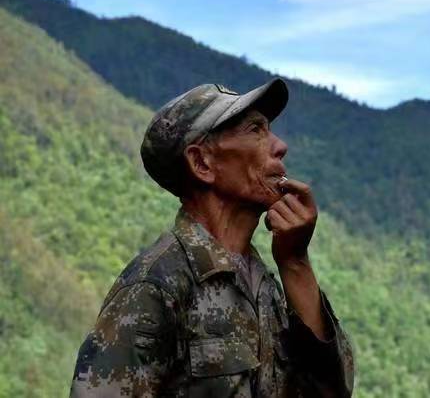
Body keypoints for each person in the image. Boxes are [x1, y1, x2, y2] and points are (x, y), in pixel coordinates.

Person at [70, 78, 355, 397]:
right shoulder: (155, 287)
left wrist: (295, 262)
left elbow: (331, 392)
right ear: (202, 163)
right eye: (256, 130)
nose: (280, 146)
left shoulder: (264, 287)